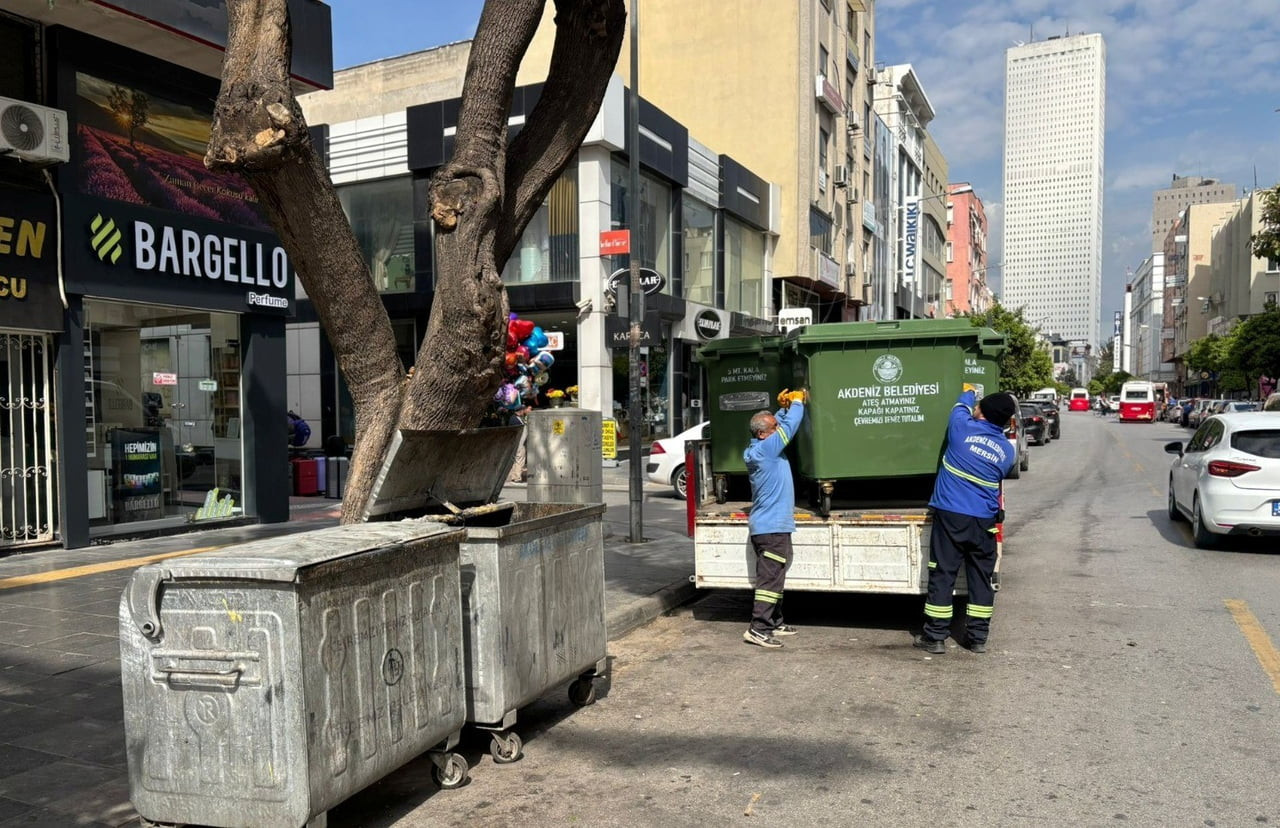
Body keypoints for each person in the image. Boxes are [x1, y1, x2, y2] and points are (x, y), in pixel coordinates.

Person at [914, 386, 1016, 655]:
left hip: (951, 517)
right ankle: (978, 638)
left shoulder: (962, 431)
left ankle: (935, 636)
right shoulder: (1007, 451)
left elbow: (959, 409)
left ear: (981, 412)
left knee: (943, 574)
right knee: (981, 579)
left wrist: (969, 392)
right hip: (984, 521)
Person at [742, 388, 806, 649]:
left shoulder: (762, 448)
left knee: (776, 575)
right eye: (773, 426)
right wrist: (798, 404)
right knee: (769, 579)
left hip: (770, 526)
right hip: (771, 529)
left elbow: (779, 426)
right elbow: (788, 429)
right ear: (762, 434)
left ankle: (775, 621)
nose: (777, 428)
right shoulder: (766, 450)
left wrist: (782, 408)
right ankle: (758, 628)